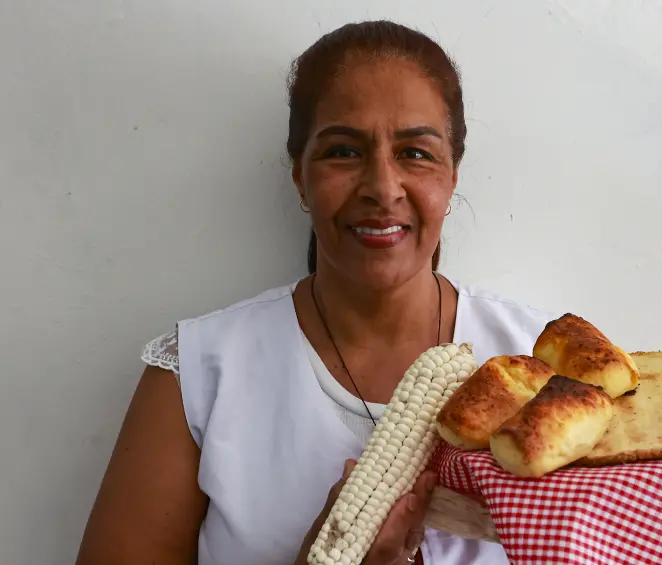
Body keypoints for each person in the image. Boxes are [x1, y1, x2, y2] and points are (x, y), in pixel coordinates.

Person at [75, 20, 556, 565]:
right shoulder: (196, 377)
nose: (381, 186)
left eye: (415, 153)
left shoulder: (545, 371)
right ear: (300, 176)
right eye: (344, 151)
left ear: (452, 174)